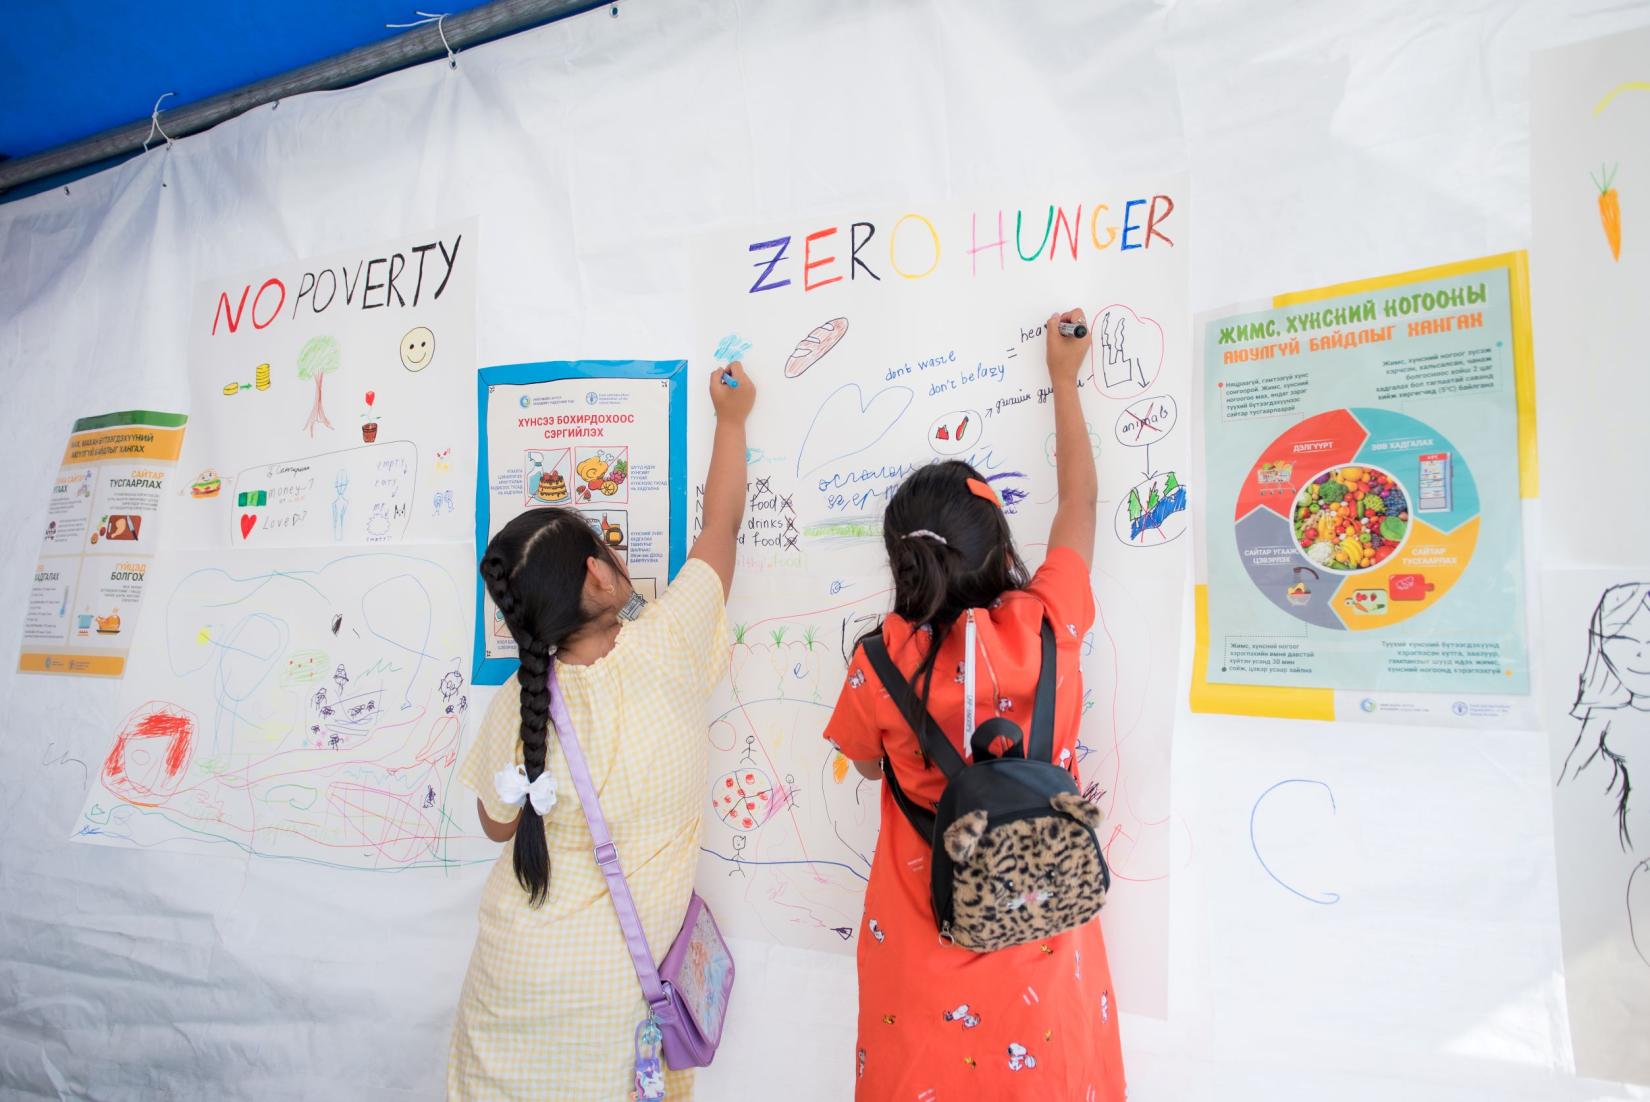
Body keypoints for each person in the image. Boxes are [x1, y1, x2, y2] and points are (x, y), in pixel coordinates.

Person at [822, 310, 1124, 1099]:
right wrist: (1065, 379)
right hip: (1046, 933)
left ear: (903, 564)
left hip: (920, 943)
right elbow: (1081, 507)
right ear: (1000, 542)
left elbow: (859, 760)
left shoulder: (881, 660)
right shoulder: (1052, 621)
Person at [448, 362, 754, 1100]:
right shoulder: (670, 645)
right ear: (597, 574)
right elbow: (721, 526)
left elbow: (497, 827)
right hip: (615, 1004)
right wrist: (733, 419)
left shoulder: (520, 703)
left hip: (510, 986)